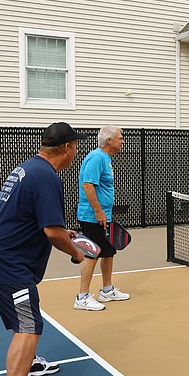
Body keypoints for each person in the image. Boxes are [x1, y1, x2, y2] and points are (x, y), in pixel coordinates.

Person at [0, 122, 88, 376]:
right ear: (67, 148)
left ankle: (30, 362)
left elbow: (38, 220)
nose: (77, 151)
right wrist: (76, 253)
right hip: (7, 262)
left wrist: (66, 233)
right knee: (28, 324)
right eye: (77, 146)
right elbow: (51, 233)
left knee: (23, 316)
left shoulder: (29, 168)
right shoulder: (47, 178)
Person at [74, 125, 130, 310]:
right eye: (120, 138)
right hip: (93, 216)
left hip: (103, 215)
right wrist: (98, 211)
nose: (123, 141)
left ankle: (106, 290)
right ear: (109, 141)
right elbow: (88, 185)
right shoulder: (97, 157)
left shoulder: (105, 158)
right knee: (92, 253)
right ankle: (82, 297)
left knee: (108, 251)